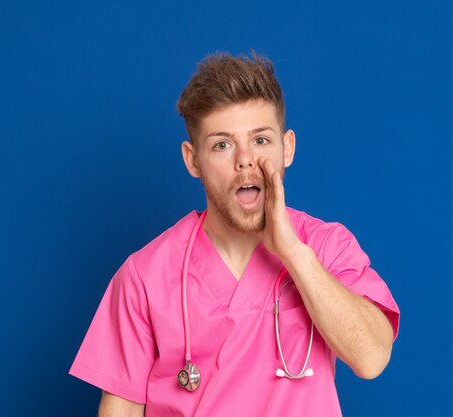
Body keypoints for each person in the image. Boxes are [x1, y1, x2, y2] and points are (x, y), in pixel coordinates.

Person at [69, 52, 400, 417]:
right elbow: (121, 410)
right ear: (193, 160)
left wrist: (294, 254)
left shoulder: (326, 245)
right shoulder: (145, 275)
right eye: (222, 145)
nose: (245, 160)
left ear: (287, 147)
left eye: (260, 140)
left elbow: (372, 358)